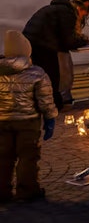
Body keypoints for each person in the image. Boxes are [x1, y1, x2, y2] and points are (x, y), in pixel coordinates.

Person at [0, 30, 57, 203]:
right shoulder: (36, 73)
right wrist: (50, 118)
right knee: (28, 156)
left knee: (3, 157)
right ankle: (27, 189)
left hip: (1, 122)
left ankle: (2, 191)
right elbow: (45, 99)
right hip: (28, 122)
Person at [22, 0, 89, 110]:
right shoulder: (68, 13)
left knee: (42, 76)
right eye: (83, 15)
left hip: (31, 42)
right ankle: (53, 106)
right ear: (79, 10)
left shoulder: (57, 9)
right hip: (42, 45)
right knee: (51, 76)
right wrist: (83, 41)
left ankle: (49, 104)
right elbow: (68, 41)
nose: (81, 18)